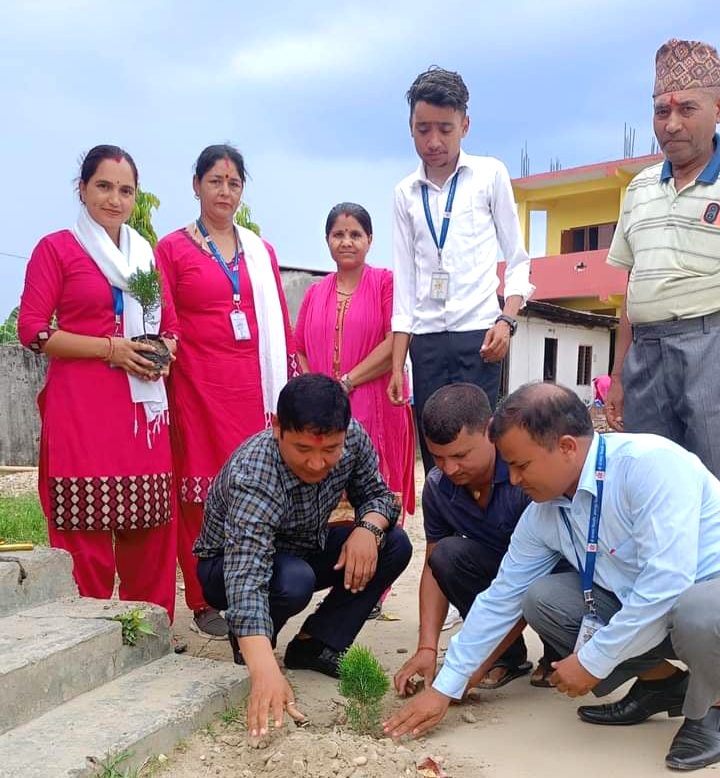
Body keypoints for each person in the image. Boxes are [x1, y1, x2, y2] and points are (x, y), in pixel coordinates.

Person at [385, 382, 720, 772]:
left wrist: (594, 659)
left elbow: (666, 585)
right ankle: (661, 684)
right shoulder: (545, 512)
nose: (513, 480)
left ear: (566, 447)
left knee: (697, 610)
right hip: (657, 612)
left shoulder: (650, 465)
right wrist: (446, 686)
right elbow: (502, 597)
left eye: (521, 466)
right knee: (543, 600)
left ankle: (712, 708)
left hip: (704, 601)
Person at [193, 373, 413, 736]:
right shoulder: (254, 472)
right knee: (294, 580)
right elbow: (246, 575)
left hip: (302, 548)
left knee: (394, 544)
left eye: (330, 450)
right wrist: (265, 670)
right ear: (277, 427)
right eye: (303, 449)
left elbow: (378, 495)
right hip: (226, 568)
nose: (316, 463)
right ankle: (253, 646)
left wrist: (369, 528)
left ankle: (316, 644)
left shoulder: (352, 438)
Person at [18, 144, 178, 618]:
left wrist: (162, 352)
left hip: (142, 413)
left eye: (125, 190)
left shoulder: (145, 256)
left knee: (149, 523)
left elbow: (171, 326)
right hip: (82, 407)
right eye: (104, 186)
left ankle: (149, 630)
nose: (114, 199)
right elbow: (34, 331)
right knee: (82, 524)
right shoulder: (57, 249)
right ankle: (85, 628)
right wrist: (112, 349)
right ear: (82, 188)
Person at [155, 144, 298, 639]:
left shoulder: (261, 251)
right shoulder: (172, 249)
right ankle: (203, 598)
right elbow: (164, 320)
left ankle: (251, 591)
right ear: (196, 185)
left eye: (233, 183)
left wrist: (290, 386)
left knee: (253, 491)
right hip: (197, 386)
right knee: (199, 492)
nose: (224, 191)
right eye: (215, 181)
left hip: (256, 390)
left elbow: (280, 322)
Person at [387, 66, 534, 473]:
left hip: (480, 337)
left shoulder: (490, 175)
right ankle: (439, 519)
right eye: (423, 129)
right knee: (436, 451)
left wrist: (506, 321)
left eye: (445, 129)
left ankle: (486, 516)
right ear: (411, 128)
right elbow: (405, 285)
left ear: (465, 126)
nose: (433, 141)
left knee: (479, 451)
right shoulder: (404, 193)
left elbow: (518, 259)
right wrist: (398, 364)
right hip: (426, 342)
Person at [393, 383, 560, 696]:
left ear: (490, 431)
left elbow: (532, 575)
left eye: (460, 455)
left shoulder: (524, 480)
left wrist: (474, 667)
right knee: (446, 556)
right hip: (500, 569)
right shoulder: (438, 487)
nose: (449, 468)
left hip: (547, 574)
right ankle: (508, 657)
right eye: (438, 457)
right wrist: (427, 647)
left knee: (544, 589)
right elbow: (432, 566)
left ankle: (558, 651)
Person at [606, 39, 720, 478]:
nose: (671, 124)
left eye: (687, 109)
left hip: (710, 347)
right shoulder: (638, 188)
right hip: (646, 355)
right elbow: (630, 290)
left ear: (716, 109)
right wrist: (618, 377)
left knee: (712, 479)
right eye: (661, 112)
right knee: (653, 480)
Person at [295, 202, 416, 605]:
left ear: (369, 240)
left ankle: (374, 588)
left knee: (371, 490)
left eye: (355, 234)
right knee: (327, 492)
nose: (346, 241)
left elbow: (395, 340)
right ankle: (337, 578)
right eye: (338, 234)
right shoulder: (315, 292)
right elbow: (299, 348)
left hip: (374, 403)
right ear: (327, 240)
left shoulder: (385, 283)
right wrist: (319, 391)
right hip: (326, 413)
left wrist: (347, 382)